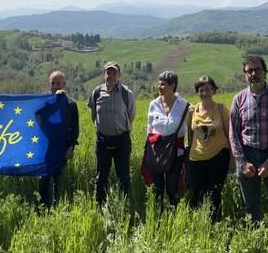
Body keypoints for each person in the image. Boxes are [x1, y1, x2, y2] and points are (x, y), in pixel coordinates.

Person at [229, 55, 268, 222]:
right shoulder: (238, 99)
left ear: (265, 72)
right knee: (251, 205)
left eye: (257, 70)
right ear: (245, 75)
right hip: (247, 156)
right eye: (249, 71)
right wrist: (242, 162)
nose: (253, 74)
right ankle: (255, 236)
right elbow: (233, 133)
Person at [88, 61, 136, 206]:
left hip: (122, 142)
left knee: (123, 176)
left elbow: (131, 115)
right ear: (104, 75)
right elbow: (93, 115)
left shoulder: (127, 94)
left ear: (119, 75)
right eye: (108, 72)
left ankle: (124, 205)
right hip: (102, 141)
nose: (110, 75)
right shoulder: (97, 92)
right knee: (101, 176)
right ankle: (100, 206)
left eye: (114, 72)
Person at [185, 75, 231, 221]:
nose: (204, 93)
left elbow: (230, 134)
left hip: (218, 156)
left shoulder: (221, 109)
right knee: (196, 193)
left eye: (207, 89)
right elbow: (190, 135)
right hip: (196, 158)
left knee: (214, 193)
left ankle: (215, 223)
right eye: (201, 90)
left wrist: (232, 160)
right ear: (197, 92)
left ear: (213, 90)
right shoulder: (192, 111)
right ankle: (198, 223)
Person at [144, 71, 189, 206]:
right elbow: (149, 128)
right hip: (157, 150)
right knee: (157, 186)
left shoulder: (184, 106)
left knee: (172, 184)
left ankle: (173, 211)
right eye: (158, 83)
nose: (159, 87)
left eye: (163, 84)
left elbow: (191, 127)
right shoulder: (153, 104)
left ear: (172, 86)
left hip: (176, 151)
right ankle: (158, 213)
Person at [37, 71, 79, 208]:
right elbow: (35, 115)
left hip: (62, 148)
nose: (55, 86)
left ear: (64, 84)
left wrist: (71, 147)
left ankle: (57, 208)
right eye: (53, 83)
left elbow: (75, 129)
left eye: (58, 83)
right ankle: (43, 208)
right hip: (45, 147)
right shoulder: (43, 102)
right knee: (43, 178)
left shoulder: (71, 104)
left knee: (58, 180)